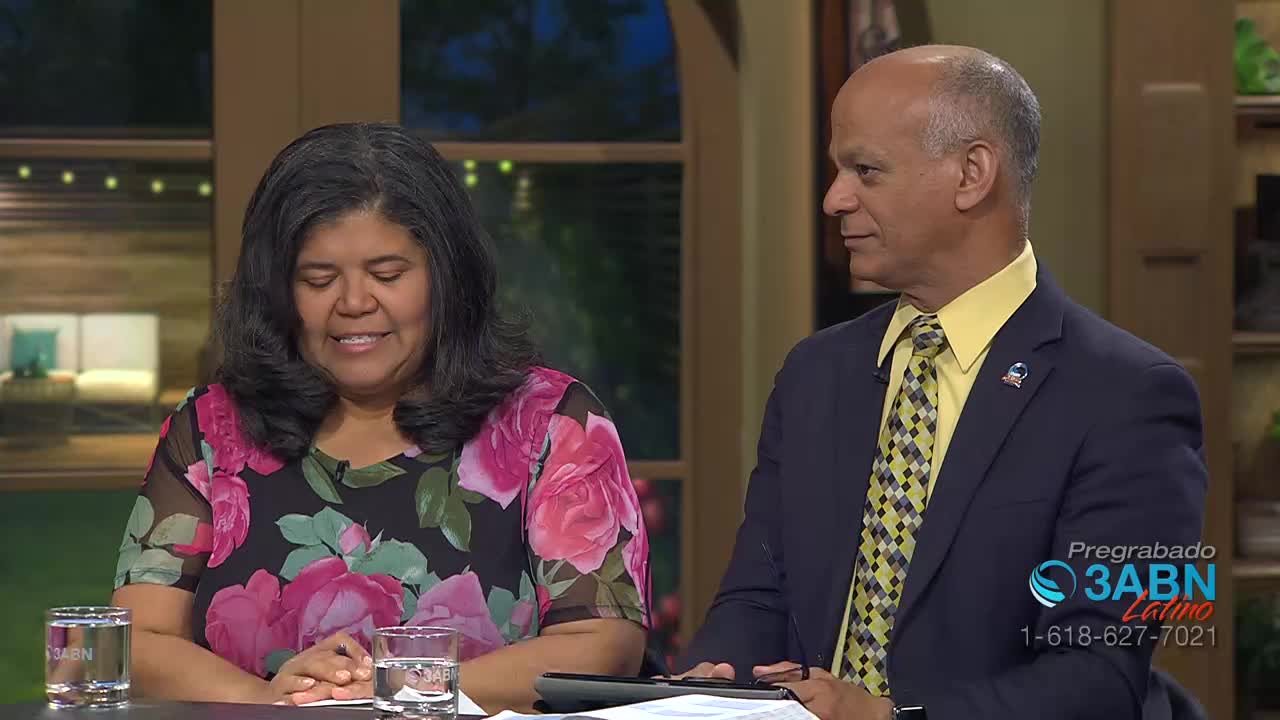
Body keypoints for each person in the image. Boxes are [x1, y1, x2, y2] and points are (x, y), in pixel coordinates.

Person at [674, 45, 1208, 720]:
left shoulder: (1131, 396)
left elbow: (1099, 678)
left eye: (865, 170)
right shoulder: (815, 373)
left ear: (971, 174)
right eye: (839, 169)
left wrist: (886, 717)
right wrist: (711, 685)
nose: (833, 198)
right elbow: (756, 597)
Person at [110, 122, 650, 711]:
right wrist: (269, 701)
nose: (354, 303)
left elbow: (602, 646)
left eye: (388, 275)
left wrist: (394, 691)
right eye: (318, 279)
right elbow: (137, 642)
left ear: (447, 278)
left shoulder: (549, 421)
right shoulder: (212, 428)